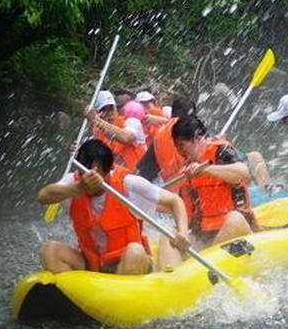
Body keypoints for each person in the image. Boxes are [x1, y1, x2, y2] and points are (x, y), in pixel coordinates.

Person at [36, 139, 190, 274]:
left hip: (128, 262)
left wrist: (182, 232)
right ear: (79, 171)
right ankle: (74, 298)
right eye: (86, 174)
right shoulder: (73, 182)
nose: (92, 180)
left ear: (109, 171)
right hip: (92, 265)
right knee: (49, 250)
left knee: (135, 252)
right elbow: (43, 196)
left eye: (98, 175)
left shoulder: (129, 183)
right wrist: (78, 189)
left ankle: (123, 301)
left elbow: (174, 201)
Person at [161, 115, 257, 264]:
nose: (181, 153)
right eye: (178, 148)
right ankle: (171, 278)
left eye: (183, 146)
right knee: (167, 233)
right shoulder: (186, 168)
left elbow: (243, 173)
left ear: (198, 138)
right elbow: (183, 209)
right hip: (204, 235)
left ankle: (203, 266)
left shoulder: (221, 150)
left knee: (234, 219)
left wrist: (207, 170)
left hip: (236, 229)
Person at [136, 96, 274, 190]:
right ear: (193, 116)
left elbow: (144, 175)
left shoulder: (159, 137)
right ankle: (268, 190)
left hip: (178, 192)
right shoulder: (194, 132)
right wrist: (220, 141)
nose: (180, 152)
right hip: (198, 191)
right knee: (255, 156)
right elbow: (242, 168)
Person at [85, 90, 147, 170]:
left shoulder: (132, 122)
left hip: (140, 175)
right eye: (103, 110)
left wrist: (97, 121)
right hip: (117, 178)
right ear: (98, 113)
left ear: (116, 108)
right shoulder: (96, 136)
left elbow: (126, 138)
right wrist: (79, 153)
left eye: (111, 108)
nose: (108, 113)